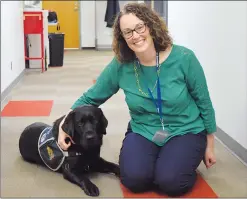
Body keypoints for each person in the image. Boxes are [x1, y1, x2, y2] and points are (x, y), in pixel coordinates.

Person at [57, 2, 217, 197]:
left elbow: (204, 102)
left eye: (139, 27)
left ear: (150, 26)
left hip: (185, 129)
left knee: (171, 182)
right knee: (134, 180)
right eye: (128, 32)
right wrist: (63, 125)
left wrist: (209, 145)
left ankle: (180, 160)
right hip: (144, 129)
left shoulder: (184, 58)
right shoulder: (122, 65)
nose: (135, 35)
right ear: (122, 37)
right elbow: (90, 97)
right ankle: (163, 159)